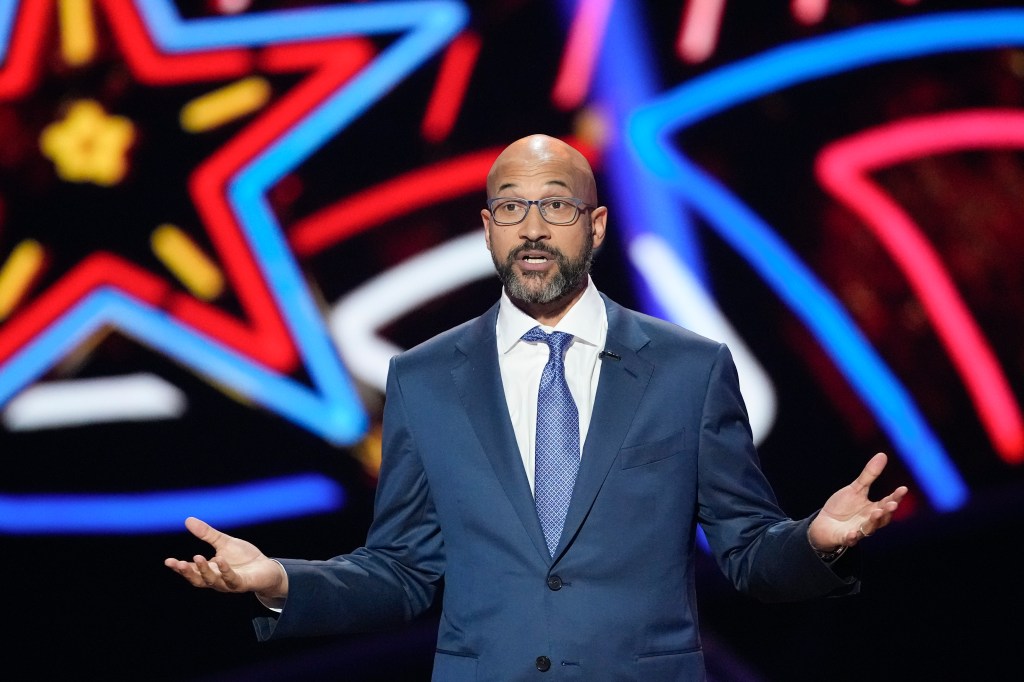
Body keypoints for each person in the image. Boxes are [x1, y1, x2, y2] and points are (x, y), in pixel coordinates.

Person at [165, 133, 908, 680]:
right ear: (487, 230)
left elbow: (747, 555)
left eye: (556, 204)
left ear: (597, 225)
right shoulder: (424, 379)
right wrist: (282, 582)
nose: (532, 226)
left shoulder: (688, 368)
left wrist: (815, 539)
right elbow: (401, 571)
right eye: (511, 206)